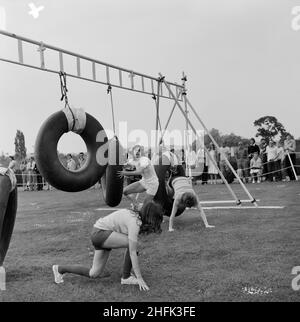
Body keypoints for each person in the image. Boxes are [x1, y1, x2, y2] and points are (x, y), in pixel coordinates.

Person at [52, 201, 163, 291]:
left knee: (94, 273)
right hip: (100, 234)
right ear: (150, 217)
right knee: (133, 245)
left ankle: (60, 269)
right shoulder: (135, 222)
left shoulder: (138, 211)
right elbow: (133, 252)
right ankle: (126, 277)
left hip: (101, 234)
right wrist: (139, 278)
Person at [165, 165, 214, 232]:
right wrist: (170, 228)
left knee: (179, 166)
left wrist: (207, 224)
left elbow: (201, 211)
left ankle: (174, 165)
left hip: (184, 178)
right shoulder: (178, 198)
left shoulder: (194, 196)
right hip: (174, 180)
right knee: (169, 192)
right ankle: (169, 173)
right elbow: (172, 214)